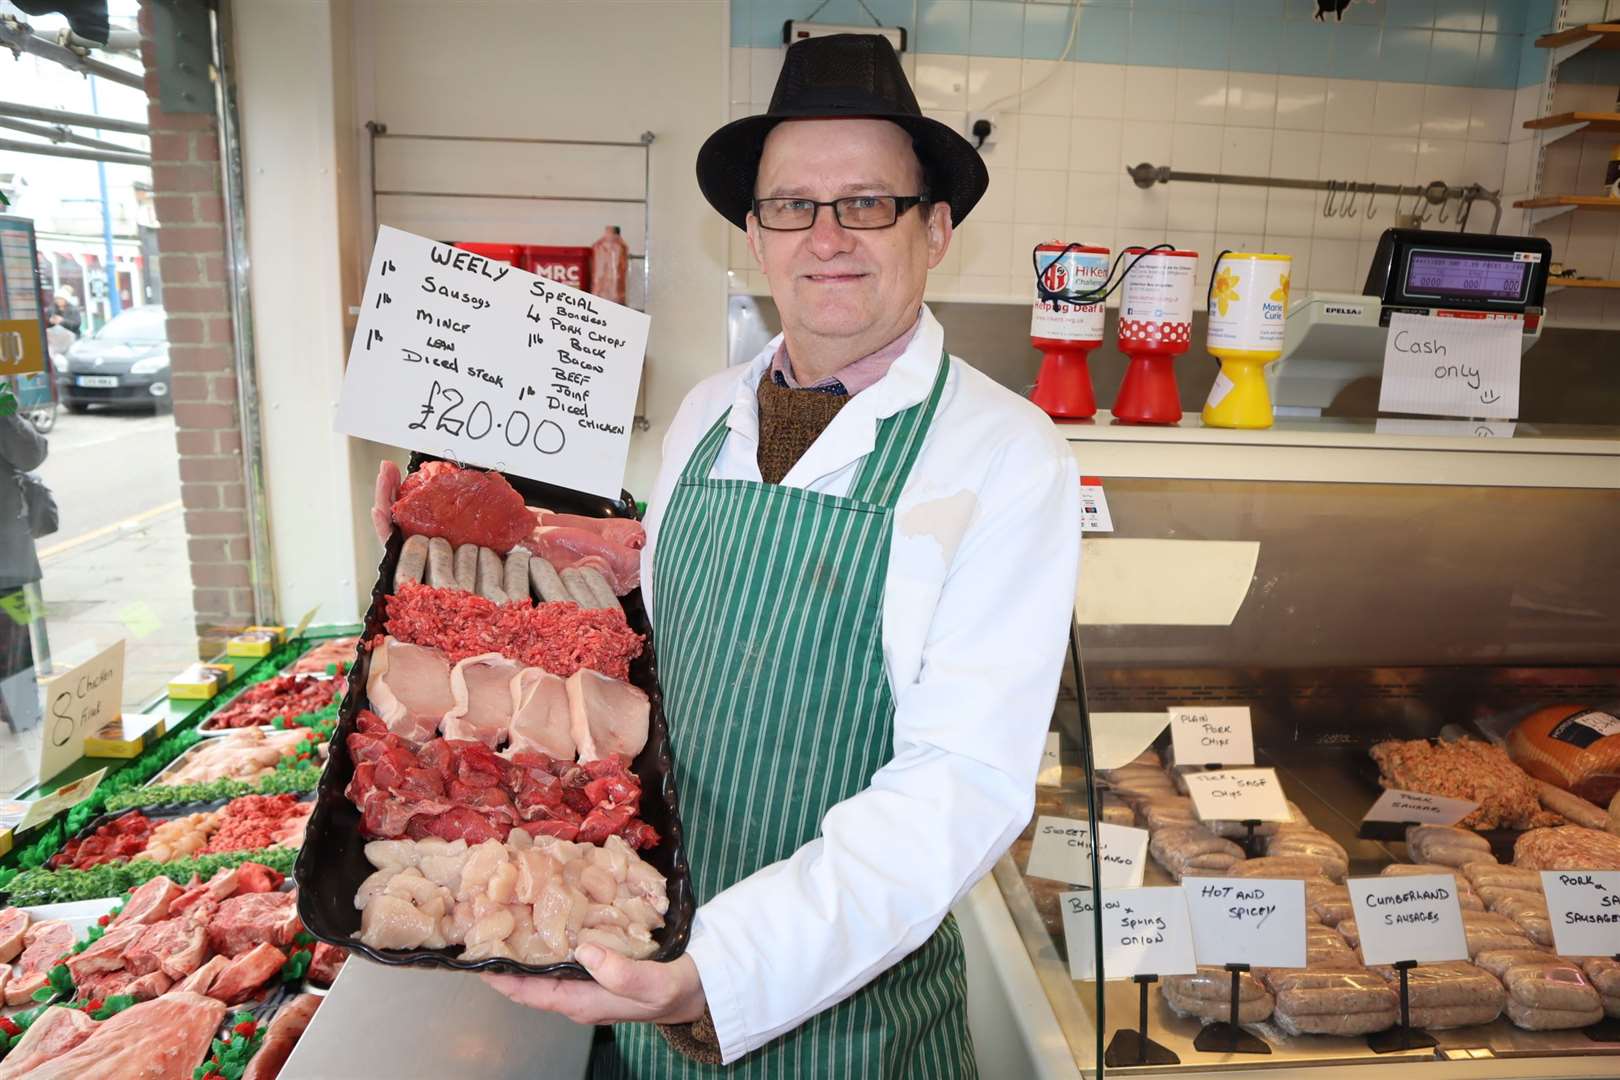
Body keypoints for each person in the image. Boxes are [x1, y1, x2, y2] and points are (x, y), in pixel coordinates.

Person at [372, 33, 1080, 1077]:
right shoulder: (708, 413)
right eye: (792, 205)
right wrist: (577, 559)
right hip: (639, 943)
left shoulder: (1008, 454)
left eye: (867, 202)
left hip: (855, 1014)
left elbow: (964, 781)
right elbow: (683, 629)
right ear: (754, 233)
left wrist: (732, 967)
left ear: (934, 229)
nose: (826, 236)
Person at [0, 412, 47, 735]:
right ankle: (22, 708)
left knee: (15, 632)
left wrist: (6, 413)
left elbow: (31, 454)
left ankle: (22, 708)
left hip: (7, 561)